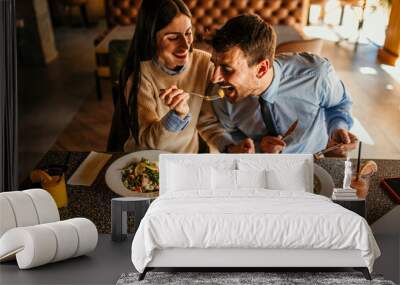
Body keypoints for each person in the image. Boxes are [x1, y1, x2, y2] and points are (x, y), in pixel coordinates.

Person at [208, 14, 358, 156]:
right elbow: (230, 132)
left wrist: (338, 126)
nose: (214, 78)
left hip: (313, 160)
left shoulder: (316, 75)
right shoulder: (221, 93)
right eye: (214, 64)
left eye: (227, 69)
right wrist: (253, 146)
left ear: (261, 69)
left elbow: (340, 103)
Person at [119, 0, 230, 153]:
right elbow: (147, 143)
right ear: (151, 37)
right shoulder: (140, 76)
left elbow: (207, 122)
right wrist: (177, 116)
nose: (186, 45)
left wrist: (229, 147)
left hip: (186, 161)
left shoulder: (205, 64)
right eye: (172, 38)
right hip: (146, 160)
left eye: (188, 33)